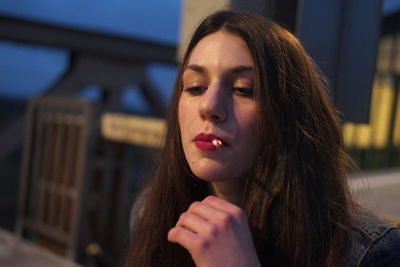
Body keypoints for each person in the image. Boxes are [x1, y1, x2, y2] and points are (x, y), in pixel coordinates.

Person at [124, 10, 400, 266]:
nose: (209, 107)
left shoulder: (368, 253)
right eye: (196, 87)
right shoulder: (150, 212)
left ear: (288, 116)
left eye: (243, 90)